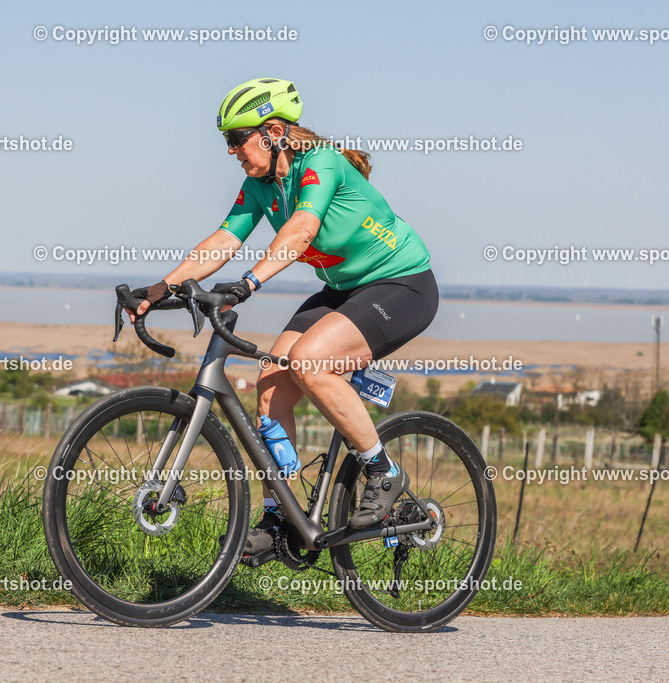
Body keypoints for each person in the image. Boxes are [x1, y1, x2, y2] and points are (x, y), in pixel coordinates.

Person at [128, 77, 438, 556]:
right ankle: (281, 517)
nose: (231, 151)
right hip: (343, 289)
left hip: (403, 285)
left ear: (273, 133)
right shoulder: (259, 184)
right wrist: (161, 287)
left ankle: (384, 472)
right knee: (271, 380)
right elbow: (224, 239)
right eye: (226, 141)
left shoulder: (322, 163)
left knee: (311, 361)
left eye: (237, 139)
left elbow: (302, 228)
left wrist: (249, 283)